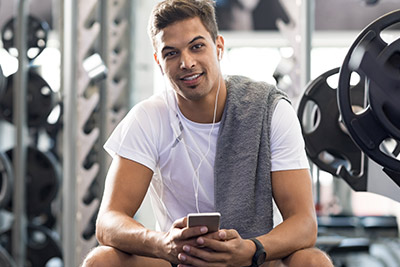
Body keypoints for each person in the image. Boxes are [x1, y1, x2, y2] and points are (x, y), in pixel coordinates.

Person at [82, 0, 333, 266]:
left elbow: (304, 223)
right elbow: (108, 221)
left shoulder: (270, 111)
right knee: (102, 260)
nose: (186, 62)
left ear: (219, 47)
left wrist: (251, 249)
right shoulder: (148, 117)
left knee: (312, 261)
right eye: (171, 53)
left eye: (197, 46)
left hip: (252, 257)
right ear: (158, 61)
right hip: (179, 259)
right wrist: (163, 243)